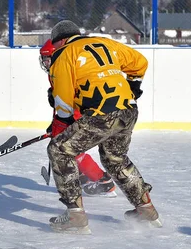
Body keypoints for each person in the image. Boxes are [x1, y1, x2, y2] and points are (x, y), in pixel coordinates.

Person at [46, 20, 161, 234]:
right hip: (128, 110)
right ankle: (146, 209)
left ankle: (75, 216)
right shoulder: (104, 42)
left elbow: (63, 104)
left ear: (60, 41)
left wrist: (62, 125)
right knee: (115, 159)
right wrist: (134, 85)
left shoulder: (63, 55)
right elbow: (140, 62)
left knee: (59, 150)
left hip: (101, 114)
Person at [39, 39, 116, 197]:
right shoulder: (56, 71)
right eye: (44, 60)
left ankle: (104, 182)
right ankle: (84, 178)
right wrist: (55, 125)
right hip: (72, 115)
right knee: (65, 148)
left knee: (69, 150)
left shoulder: (67, 69)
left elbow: (71, 101)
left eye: (48, 59)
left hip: (80, 116)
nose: (46, 63)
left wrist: (61, 125)